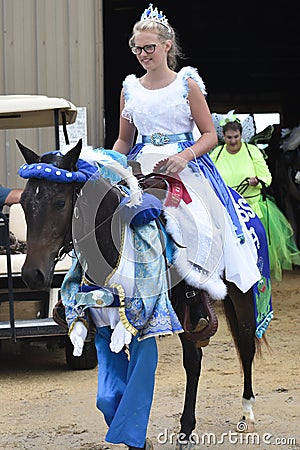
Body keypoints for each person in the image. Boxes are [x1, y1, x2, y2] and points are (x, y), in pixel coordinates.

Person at [63, 4, 271, 450]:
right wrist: (111, 164)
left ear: (167, 46)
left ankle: (203, 296)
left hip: (185, 167)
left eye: (149, 47)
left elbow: (210, 133)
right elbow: (123, 139)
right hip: (141, 169)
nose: (142, 54)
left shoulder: (186, 83)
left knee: (208, 228)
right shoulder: (128, 89)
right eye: (137, 48)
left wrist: (184, 156)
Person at [209, 111, 300, 281]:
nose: (233, 141)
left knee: (254, 250)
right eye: (229, 137)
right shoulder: (217, 153)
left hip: (252, 209)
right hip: (226, 209)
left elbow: (267, 177)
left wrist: (256, 181)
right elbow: (209, 178)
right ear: (223, 136)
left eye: (236, 136)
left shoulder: (252, 151)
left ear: (241, 135)